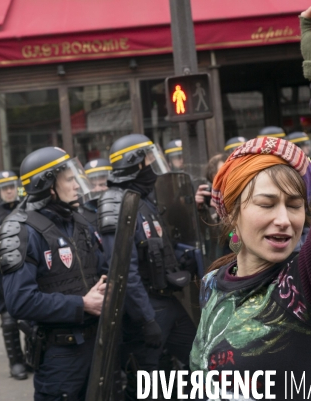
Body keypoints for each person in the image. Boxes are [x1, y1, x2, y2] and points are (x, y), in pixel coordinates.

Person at [190, 5, 311, 399]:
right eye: (267, 204)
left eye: (295, 204)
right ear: (231, 212)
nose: (284, 219)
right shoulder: (212, 285)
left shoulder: (309, 283)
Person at [0, 147, 108, 400]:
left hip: (98, 346)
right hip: (60, 355)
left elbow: (102, 270)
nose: (78, 186)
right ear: (47, 186)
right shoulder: (22, 230)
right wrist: (82, 304)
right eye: (70, 179)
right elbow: (19, 301)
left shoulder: (79, 222)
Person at [100, 134, 196, 400]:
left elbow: (161, 246)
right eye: (149, 161)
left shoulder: (144, 201)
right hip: (144, 309)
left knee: (202, 359)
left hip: (168, 302)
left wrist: (186, 258)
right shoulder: (116, 203)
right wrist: (146, 319)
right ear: (134, 165)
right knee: (144, 386)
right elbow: (124, 272)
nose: (154, 167)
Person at [0, 169, 28, 380]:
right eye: (4, 188)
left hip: (28, 270)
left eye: (11, 187)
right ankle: (16, 362)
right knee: (9, 320)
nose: (9, 191)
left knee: (34, 318)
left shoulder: (26, 208)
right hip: (4, 275)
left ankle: (33, 357)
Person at [81, 158, 111, 226]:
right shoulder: (82, 215)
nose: (98, 189)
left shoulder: (122, 207)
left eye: (102, 184)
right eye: (93, 186)